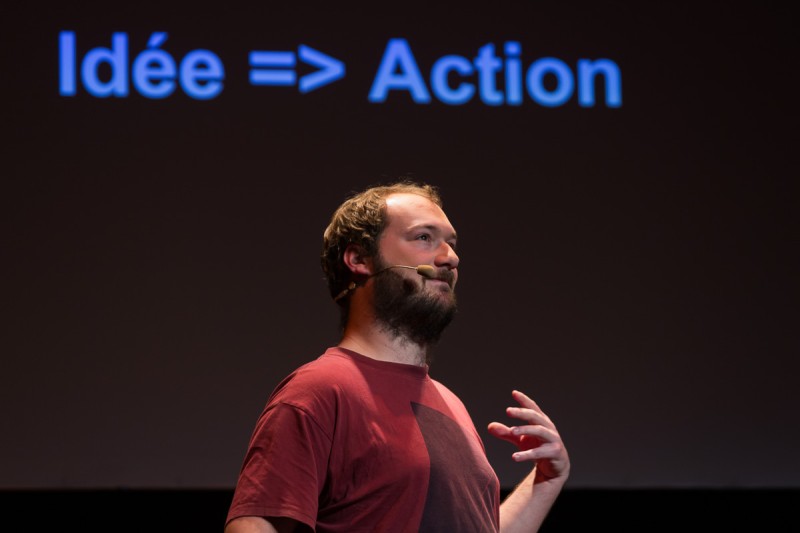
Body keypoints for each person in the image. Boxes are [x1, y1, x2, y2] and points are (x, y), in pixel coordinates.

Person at [225, 180, 570, 532]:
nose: (450, 257)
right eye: (424, 237)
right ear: (359, 259)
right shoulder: (320, 390)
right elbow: (254, 525)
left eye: (451, 244)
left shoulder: (451, 405)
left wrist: (546, 481)